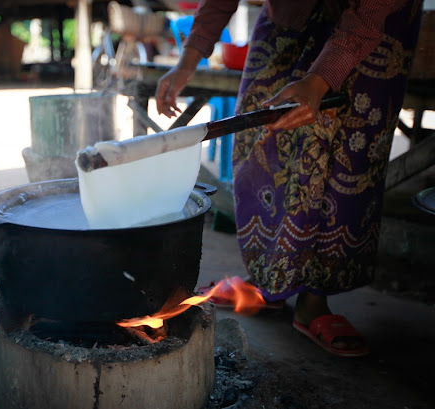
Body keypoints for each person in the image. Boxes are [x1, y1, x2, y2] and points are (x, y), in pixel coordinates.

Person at [156, 0, 423, 357]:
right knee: (261, 145)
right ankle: (269, 282)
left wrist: (321, 78)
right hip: (289, 20)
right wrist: (187, 62)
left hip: (369, 26)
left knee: (343, 162)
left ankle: (315, 299)